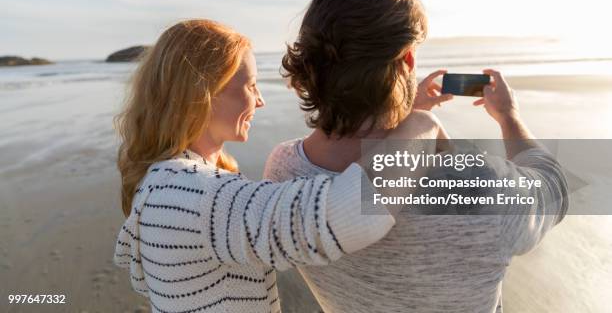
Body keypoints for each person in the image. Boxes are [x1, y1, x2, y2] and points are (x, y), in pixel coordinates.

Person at [264, 0, 568, 312]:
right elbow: (552, 188)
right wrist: (509, 116)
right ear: (407, 58)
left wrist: (405, 112)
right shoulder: (479, 185)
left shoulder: (283, 169)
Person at [113, 19, 442, 313]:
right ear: (203, 93)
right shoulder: (187, 192)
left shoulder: (169, 182)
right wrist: (421, 126)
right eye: (250, 85)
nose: (260, 100)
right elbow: (346, 216)